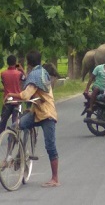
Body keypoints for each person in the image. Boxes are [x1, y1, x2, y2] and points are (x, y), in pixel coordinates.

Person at [5, 50, 60, 187]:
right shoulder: (41, 72)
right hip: (35, 111)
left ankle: (55, 178)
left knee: (50, 146)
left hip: (47, 114)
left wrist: (10, 94)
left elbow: (25, 95)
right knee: (15, 126)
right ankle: (13, 156)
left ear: (28, 63)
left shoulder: (35, 75)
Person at [0, 55, 26, 134]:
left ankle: (1, 135)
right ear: (15, 63)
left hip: (7, 101)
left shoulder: (3, 74)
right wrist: (21, 69)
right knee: (15, 121)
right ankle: (13, 138)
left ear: (7, 63)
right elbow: (26, 79)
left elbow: (4, 84)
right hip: (17, 101)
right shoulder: (19, 74)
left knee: (3, 121)